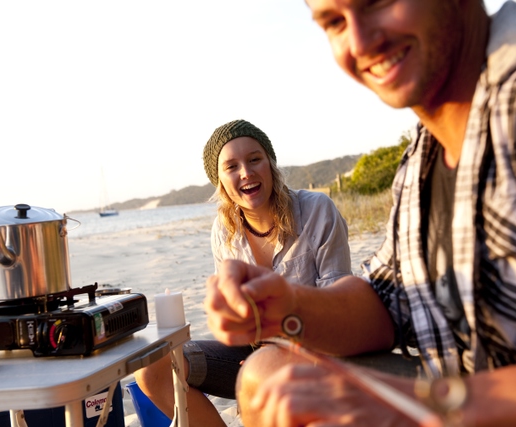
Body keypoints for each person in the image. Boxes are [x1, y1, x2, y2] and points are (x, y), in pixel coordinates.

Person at [204, 1, 516, 426]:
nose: (360, 42)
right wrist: (285, 306)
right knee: (266, 375)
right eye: (335, 22)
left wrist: (433, 403)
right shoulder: (424, 155)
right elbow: (390, 301)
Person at [134, 119, 354, 426]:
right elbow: (236, 315)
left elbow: (339, 306)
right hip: (254, 352)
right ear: (221, 180)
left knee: (267, 374)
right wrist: (247, 337)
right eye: (232, 166)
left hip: (319, 354)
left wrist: (272, 354)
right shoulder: (223, 232)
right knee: (153, 370)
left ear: (270, 164)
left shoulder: (318, 210)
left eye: (254, 160)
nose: (246, 173)